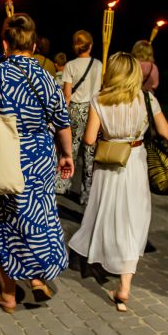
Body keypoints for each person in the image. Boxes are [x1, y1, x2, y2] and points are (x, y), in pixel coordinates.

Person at [0, 14, 74, 313]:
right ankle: (37, 277)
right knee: (36, 218)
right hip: (38, 157)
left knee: (0, 224)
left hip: (3, 156)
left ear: (5, 43)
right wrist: (67, 155)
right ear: (34, 45)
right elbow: (62, 122)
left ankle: (8, 295)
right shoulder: (48, 78)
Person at [69, 52, 168, 312]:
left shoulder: (99, 100)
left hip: (108, 164)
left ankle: (111, 259)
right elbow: (166, 132)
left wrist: (109, 129)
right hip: (134, 162)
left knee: (110, 212)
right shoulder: (146, 99)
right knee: (133, 216)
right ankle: (124, 283)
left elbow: (90, 139)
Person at [56, 30, 102, 204]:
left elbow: (67, 94)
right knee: (90, 152)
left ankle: (62, 183)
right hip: (94, 109)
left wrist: (61, 114)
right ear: (90, 45)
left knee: (70, 148)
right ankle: (87, 192)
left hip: (75, 109)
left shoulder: (70, 65)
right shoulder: (98, 64)